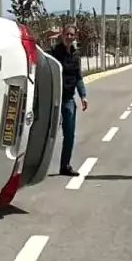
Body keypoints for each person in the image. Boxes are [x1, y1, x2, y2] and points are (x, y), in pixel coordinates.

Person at [50, 25, 88, 177]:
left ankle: (65, 166)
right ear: (62, 35)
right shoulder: (53, 53)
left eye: (72, 35)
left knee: (70, 134)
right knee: (45, 132)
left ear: (75, 37)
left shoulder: (75, 55)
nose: (69, 37)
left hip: (68, 99)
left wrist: (83, 96)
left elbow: (78, 77)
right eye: (67, 34)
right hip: (54, 98)